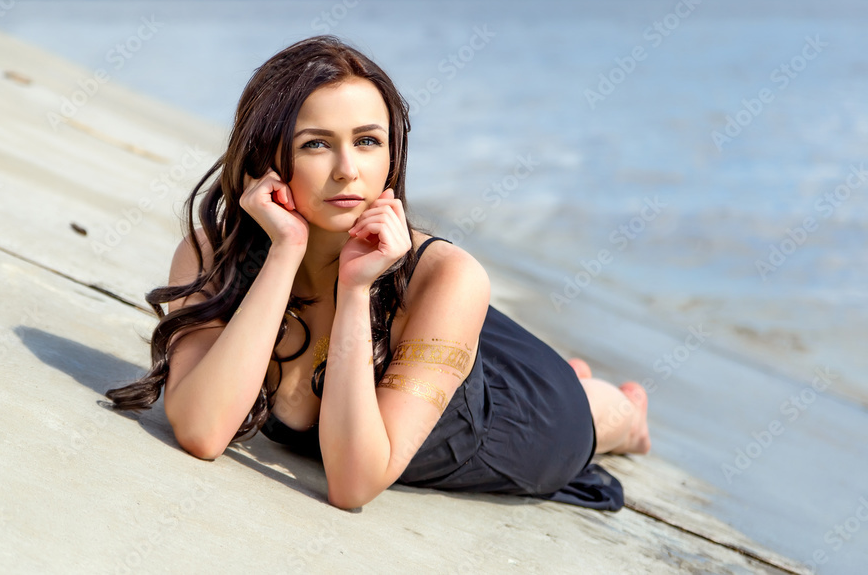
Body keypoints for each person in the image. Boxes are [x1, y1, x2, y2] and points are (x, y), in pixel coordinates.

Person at [105, 35, 650, 511]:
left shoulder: (447, 276)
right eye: (315, 144)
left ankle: (613, 404)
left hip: (519, 425)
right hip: (431, 344)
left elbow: (353, 485)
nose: (348, 169)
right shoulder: (212, 256)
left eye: (368, 141)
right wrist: (284, 252)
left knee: (597, 414)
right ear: (263, 159)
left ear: (392, 154)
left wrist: (357, 288)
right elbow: (202, 431)